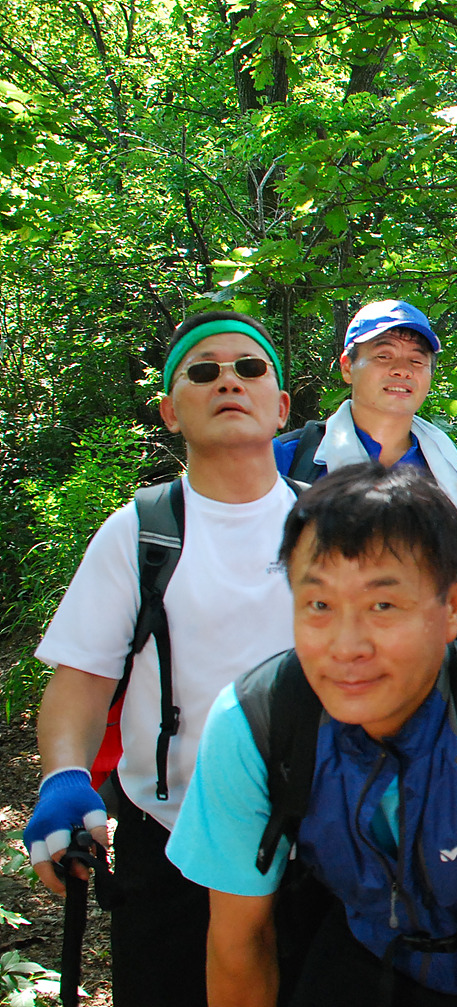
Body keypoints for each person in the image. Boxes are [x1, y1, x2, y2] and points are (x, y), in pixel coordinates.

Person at [166, 463, 457, 1007]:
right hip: (360, 956)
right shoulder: (255, 721)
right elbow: (241, 939)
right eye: (318, 605)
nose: (347, 646)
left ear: (453, 607)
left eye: (382, 605)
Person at [23, 311, 297, 1007]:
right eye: (203, 370)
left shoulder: (328, 526)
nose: (228, 380)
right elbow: (82, 681)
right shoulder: (140, 532)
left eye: (250, 367)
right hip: (168, 844)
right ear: (172, 411)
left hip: (316, 846)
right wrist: (63, 776)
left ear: (282, 404)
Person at [274, 298, 457, 601]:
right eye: (383, 356)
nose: (402, 370)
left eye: (416, 361)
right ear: (347, 367)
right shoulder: (289, 459)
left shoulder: (454, 475)